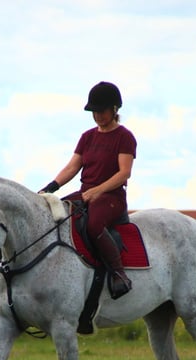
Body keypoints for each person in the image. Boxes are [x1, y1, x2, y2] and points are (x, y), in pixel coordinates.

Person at [39, 81, 137, 299]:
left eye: (101, 111)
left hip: (112, 197)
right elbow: (73, 166)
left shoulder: (124, 137)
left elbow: (124, 173)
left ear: (114, 109)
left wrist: (98, 191)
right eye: (94, 112)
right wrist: (50, 189)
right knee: (58, 215)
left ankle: (119, 274)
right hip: (86, 193)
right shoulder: (87, 137)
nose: (98, 116)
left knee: (93, 225)